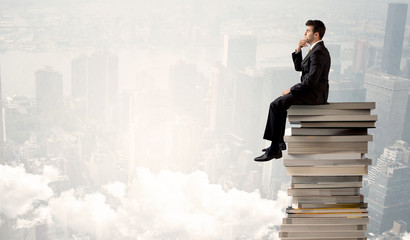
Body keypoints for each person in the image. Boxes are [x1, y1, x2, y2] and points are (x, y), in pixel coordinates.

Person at [254, 20, 331, 162]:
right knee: (280, 104)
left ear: (316, 34)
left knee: (276, 105)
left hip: (314, 95)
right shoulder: (316, 50)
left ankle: (274, 149)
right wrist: (298, 50)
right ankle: (278, 143)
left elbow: (311, 81)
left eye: (307, 31)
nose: (304, 33)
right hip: (310, 92)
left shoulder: (318, 52)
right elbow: (300, 68)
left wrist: (290, 90)